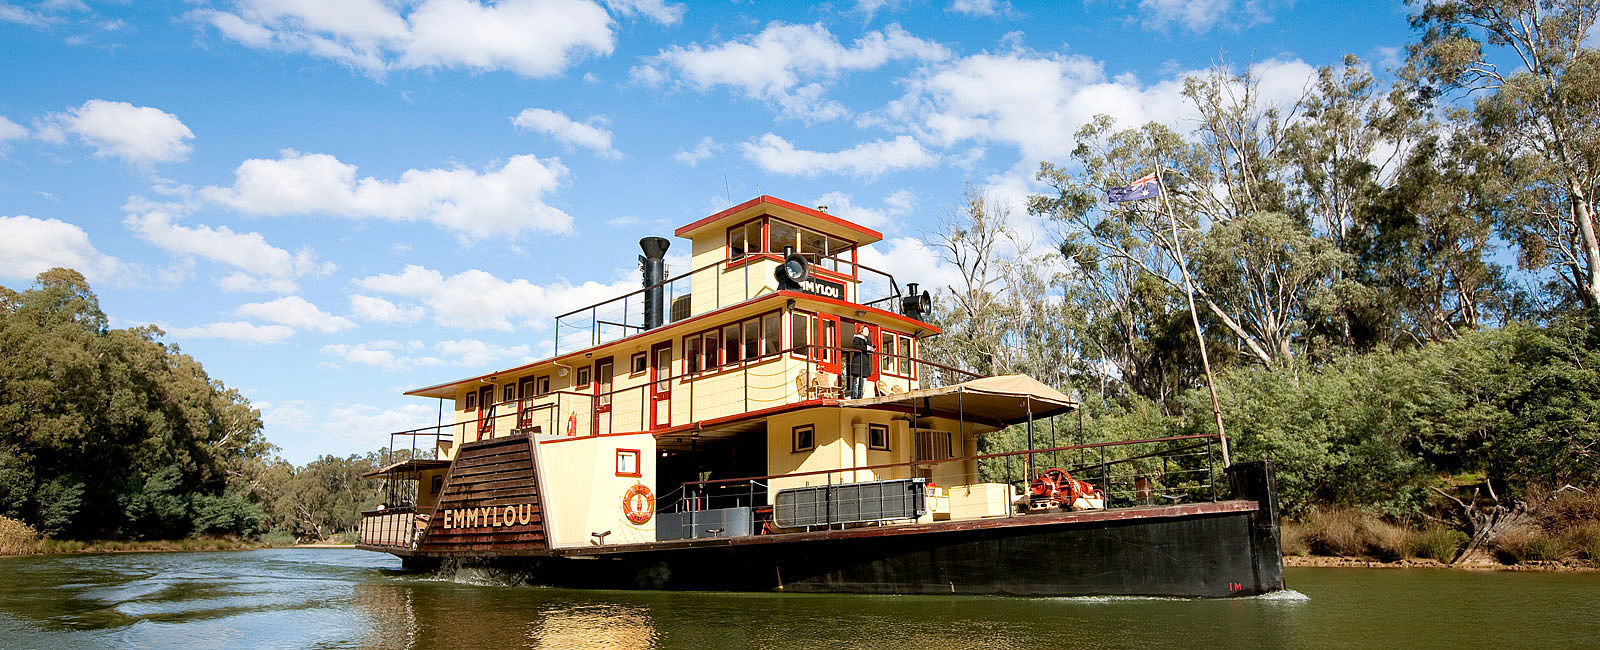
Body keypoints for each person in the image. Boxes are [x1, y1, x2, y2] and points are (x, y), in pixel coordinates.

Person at [846, 324, 874, 399]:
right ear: (861, 331)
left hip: (864, 362)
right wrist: (867, 348)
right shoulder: (857, 338)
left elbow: (870, 347)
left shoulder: (867, 340)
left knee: (863, 381)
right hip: (858, 361)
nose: (867, 332)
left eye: (868, 330)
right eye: (866, 330)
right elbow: (856, 346)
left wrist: (872, 348)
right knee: (856, 381)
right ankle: (855, 397)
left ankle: (860, 396)